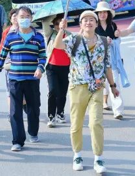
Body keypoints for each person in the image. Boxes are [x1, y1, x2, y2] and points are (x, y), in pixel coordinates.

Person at [52, 10, 119, 174]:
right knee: (76, 124)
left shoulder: (104, 42)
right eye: (85, 20)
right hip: (77, 87)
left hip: (97, 87)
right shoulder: (74, 39)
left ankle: (98, 158)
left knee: (95, 123)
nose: (88, 22)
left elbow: (107, 65)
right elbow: (57, 45)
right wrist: (61, 29)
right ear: (80, 24)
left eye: (91, 20)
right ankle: (77, 155)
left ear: (96, 24)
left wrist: (113, 85)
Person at [0, 7, 46, 151]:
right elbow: (2, 55)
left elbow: (42, 57)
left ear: (31, 18)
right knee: (15, 111)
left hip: (32, 78)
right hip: (15, 78)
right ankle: (17, 140)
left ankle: (33, 132)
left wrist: (40, 68)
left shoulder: (38, 37)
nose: (24, 19)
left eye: (27, 16)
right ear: (16, 18)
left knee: (34, 108)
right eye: (22, 16)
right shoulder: (11, 36)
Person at [94, 1, 128, 120]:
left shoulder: (113, 25)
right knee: (99, 85)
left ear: (108, 14)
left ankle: (118, 110)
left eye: (105, 12)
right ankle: (100, 105)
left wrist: (115, 38)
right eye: (100, 12)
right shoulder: (94, 26)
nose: (102, 14)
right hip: (97, 61)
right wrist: (103, 41)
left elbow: (117, 41)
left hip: (112, 61)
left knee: (114, 83)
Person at [44, 14, 70, 127]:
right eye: (56, 23)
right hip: (51, 67)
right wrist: (56, 18)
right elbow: (45, 22)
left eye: (62, 23)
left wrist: (63, 26)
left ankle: (60, 113)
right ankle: (51, 115)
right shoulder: (50, 34)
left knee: (63, 92)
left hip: (65, 66)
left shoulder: (69, 35)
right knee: (53, 90)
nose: (59, 25)